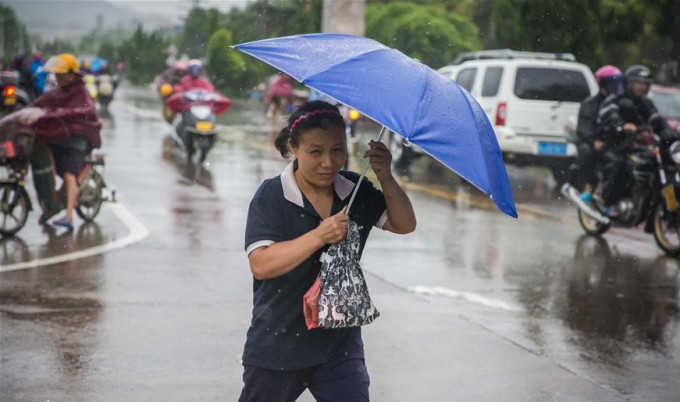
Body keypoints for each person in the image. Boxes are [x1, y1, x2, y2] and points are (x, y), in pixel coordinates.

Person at [240, 100, 416, 401]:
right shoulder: (272, 195)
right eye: (316, 151)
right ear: (294, 148)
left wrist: (385, 176)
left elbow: (404, 224)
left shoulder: (354, 189)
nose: (328, 162)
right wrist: (320, 235)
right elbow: (261, 264)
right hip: (278, 342)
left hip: (339, 343)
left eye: (337, 150)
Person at [18, 53, 102, 231]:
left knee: (69, 174)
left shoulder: (82, 92)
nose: (58, 77)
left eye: (61, 74)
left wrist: (60, 113)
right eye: (56, 74)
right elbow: (37, 103)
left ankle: (69, 217)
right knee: (42, 158)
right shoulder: (56, 93)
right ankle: (52, 204)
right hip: (59, 137)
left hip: (77, 140)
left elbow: (85, 110)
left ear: (71, 74)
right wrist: (22, 114)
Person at [597, 64, 679, 217]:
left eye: (645, 84)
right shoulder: (616, 99)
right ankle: (609, 203)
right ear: (629, 83)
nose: (642, 87)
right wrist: (621, 126)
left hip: (638, 145)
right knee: (620, 164)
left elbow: (657, 120)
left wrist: (668, 132)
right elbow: (609, 116)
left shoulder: (646, 103)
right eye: (638, 83)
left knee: (663, 162)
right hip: (616, 144)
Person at [562, 65, 623, 203]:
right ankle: (588, 187)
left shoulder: (620, 103)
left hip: (611, 142)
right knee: (588, 153)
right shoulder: (590, 104)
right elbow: (585, 129)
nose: (615, 86)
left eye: (617, 82)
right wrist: (595, 140)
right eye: (612, 83)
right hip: (591, 142)